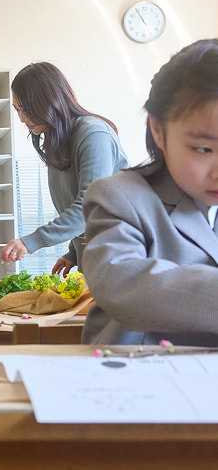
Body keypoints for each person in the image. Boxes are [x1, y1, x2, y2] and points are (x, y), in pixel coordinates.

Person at [81, 39, 218, 346]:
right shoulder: (120, 197)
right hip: (139, 368)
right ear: (158, 130)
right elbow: (121, 282)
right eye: (203, 149)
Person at [0, 62, 128, 274]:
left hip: (122, 260)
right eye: (17, 110)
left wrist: (29, 242)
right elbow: (77, 206)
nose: (22, 118)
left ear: (49, 101)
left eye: (26, 109)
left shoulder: (94, 134)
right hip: (97, 260)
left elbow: (90, 207)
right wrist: (73, 253)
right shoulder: (59, 140)